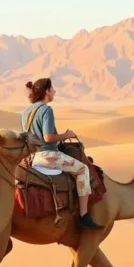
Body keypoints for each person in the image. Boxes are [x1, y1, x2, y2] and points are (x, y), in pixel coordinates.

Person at [20, 78, 102, 229]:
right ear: (46, 91)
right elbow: (48, 137)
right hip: (47, 156)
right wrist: (66, 135)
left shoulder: (26, 111)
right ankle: (84, 215)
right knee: (83, 169)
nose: (54, 92)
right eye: (52, 89)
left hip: (31, 157)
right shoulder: (46, 110)